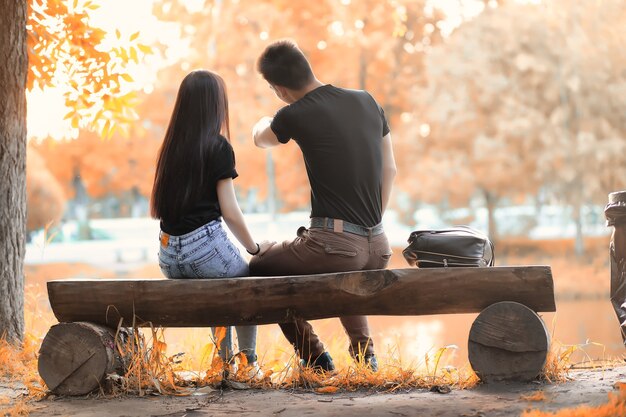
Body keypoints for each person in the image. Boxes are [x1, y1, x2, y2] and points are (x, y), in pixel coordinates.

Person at [250, 40, 397, 372]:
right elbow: (390, 169)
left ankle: (316, 358)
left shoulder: (294, 113)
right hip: (379, 246)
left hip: (335, 245)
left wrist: (262, 121)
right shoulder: (367, 101)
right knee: (347, 269)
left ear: (279, 89)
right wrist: (369, 228)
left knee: (260, 266)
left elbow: (262, 139)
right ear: (307, 67)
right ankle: (365, 358)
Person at [150, 70, 275, 377]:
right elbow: (230, 211)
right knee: (246, 284)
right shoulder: (218, 147)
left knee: (220, 286)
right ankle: (248, 367)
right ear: (215, 106)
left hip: (168, 257)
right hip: (202, 248)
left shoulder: (170, 148)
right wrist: (254, 248)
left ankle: (221, 366)